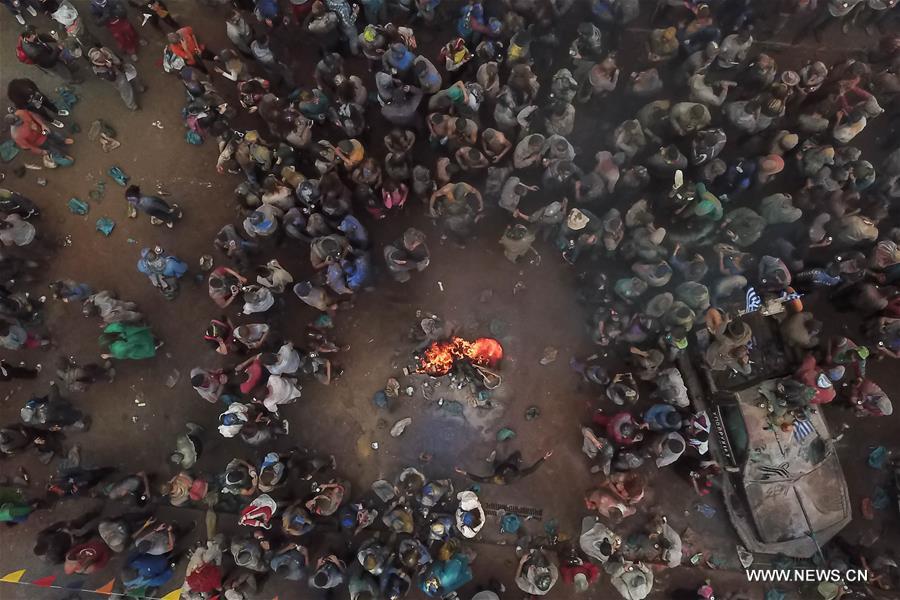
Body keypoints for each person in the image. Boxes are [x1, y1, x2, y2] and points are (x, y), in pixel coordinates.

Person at [87, 44, 145, 111]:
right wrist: (110, 68)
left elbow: (115, 55)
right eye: (98, 58)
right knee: (125, 88)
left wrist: (120, 62)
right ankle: (131, 105)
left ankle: (139, 87)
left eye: (100, 55)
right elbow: (111, 78)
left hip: (121, 67)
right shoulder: (98, 70)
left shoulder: (105, 50)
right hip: (116, 77)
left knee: (133, 75)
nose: (101, 58)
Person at [17, 25, 81, 82]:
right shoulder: (34, 52)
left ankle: (69, 69)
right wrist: (58, 49)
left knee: (62, 61)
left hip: (47, 53)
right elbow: (50, 61)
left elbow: (41, 37)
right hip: (48, 63)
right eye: (34, 34)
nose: (36, 34)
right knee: (61, 69)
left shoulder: (30, 38)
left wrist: (54, 39)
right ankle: (71, 80)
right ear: (28, 37)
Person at [455, 450, 553, 485]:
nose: (507, 469)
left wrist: (463, 472)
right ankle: (500, 461)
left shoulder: (497, 479)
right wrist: (544, 458)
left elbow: (481, 479)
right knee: (516, 455)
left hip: (499, 469)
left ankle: (492, 461)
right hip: (512, 467)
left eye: (506, 471)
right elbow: (532, 469)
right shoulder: (518, 474)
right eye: (507, 470)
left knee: (496, 464)